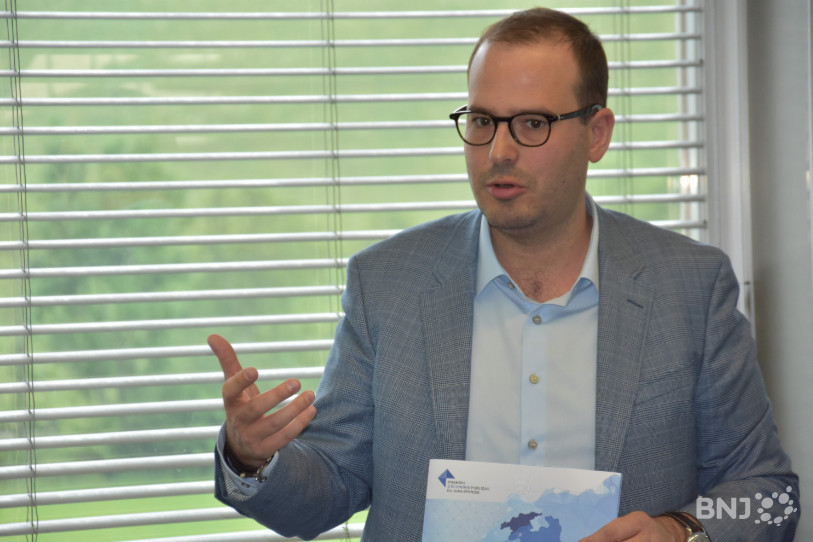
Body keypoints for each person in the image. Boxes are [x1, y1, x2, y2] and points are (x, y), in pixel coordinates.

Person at [210, 7, 799, 541]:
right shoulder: (387, 283)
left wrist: (679, 532)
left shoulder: (690, 287)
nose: (499, 151)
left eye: (533, 124)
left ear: (597, 134)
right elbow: (329, 489)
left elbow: (769, 498)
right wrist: (252, 458)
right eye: (483, 121)